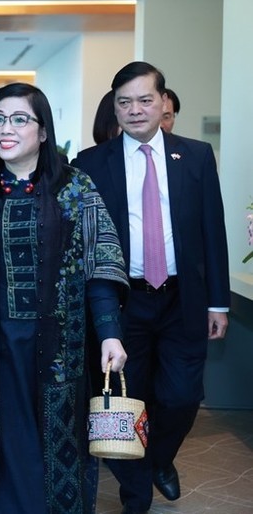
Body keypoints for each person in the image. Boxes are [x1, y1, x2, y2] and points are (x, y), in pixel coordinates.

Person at [0, 82, 129, 514]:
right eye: (0, 118)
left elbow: (102, 263)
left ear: (42, 131)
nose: (6, 128)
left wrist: (110, 334)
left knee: (53, 446)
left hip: (57, 349)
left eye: (21, 119)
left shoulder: (75, 188)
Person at [73, 62, 229, 514]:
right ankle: (135, 496)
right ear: (114, 108)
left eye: (145, 100)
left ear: (164, 103)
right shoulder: (91, 163)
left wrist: (218, 301)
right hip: (124, 302)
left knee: (180, 397)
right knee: (126, 401)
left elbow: (211, 232)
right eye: (124, 102)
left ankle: (161, 459)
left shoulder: (196, 156)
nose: (135, 110)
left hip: (184, 298)